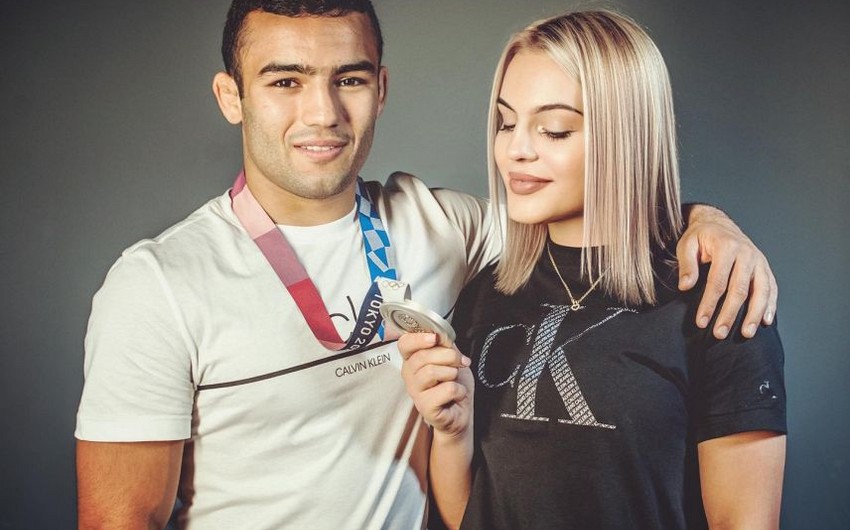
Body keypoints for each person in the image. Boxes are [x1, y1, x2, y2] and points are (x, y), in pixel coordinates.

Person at [75, 2, 777, 529]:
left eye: (348, 79)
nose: (322, 113)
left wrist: (706, 223)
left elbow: (600, 207)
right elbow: (118, 518)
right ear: (232, 97)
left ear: (381, 88)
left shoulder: (448, 229)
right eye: (285, 81)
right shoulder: (158, 285)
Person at [399, 9, 786, 530]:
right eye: (507, 123)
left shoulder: (716, 295)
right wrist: (452, 433)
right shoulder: (486, 292)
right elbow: (467, 516)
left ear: (625, 136)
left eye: (554, 130)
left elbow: (744, 521)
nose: (515, 150)